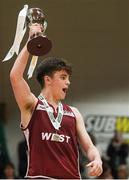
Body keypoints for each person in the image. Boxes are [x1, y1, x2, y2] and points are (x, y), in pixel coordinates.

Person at [10, 23, 103, 179]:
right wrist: (31, 42)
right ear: (48, 80)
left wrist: (97, 158)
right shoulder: (32, 105)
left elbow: (90, 147)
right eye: (63, 77)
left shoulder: (74, 113)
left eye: (68, 78)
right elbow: (15, 77)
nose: (68, 82)